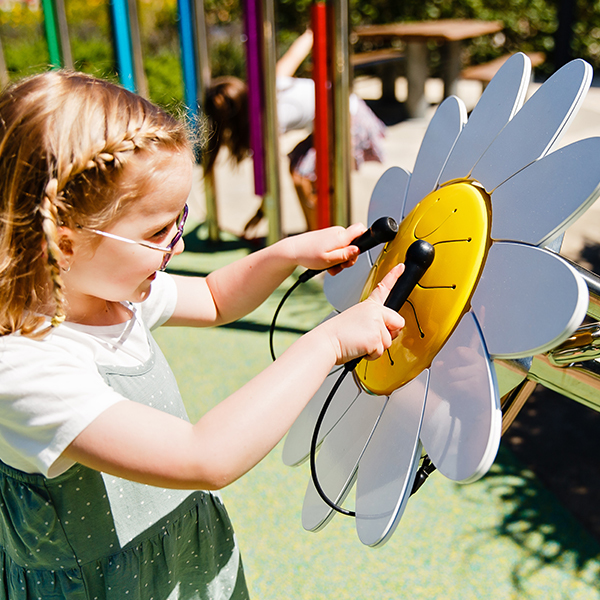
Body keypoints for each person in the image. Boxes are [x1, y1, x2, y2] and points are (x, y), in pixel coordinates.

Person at [0, 70, 405, 598]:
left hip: (181, 557)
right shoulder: (25, 367)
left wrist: (287, 253)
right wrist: (327, 342)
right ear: (64, 243)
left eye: (179, 219)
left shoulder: (111, 293)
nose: (179, 244)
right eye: (156, 231)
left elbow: (214, 297)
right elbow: (205, 456)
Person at [204, 29, 386, 233]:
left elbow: (268, 170)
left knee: (302, 175)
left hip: (349, 118)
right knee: (298, 164)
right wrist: (311, 32)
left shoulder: (269, 119)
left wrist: (263, 210)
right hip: (341, 112)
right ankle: (317, 227)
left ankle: (318, 232)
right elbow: (296, 52)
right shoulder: (271, 83)